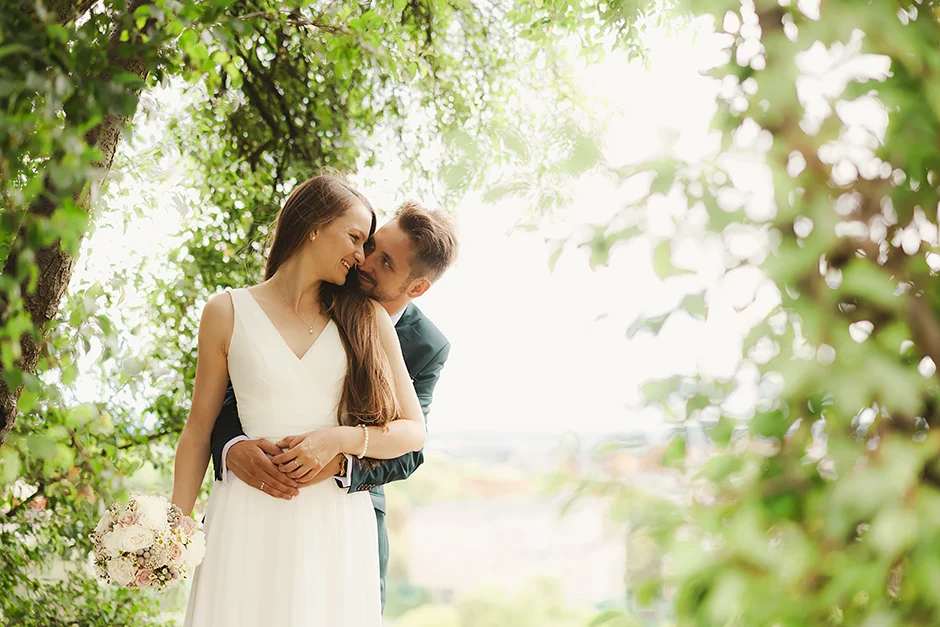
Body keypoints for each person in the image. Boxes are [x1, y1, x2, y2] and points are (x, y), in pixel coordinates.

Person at [171, 175, 427, 627]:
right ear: (313, 225)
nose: (360, 256)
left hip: (332, 527)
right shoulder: (225, 312)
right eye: (354, 238)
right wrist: (175, 524)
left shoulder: (366, 318)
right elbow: (198, 430)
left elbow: (412, 432)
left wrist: (337, 440)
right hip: (244, 518)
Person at [210, 199, 459, 609]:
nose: (365, 261)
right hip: (256, 496)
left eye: (386, 263)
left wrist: (339, 458)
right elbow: (238, 386)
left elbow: (411, 451)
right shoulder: (321, 287)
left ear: (417, 288)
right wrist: (232, 448)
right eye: (372, 246)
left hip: (345, 513)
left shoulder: (427, 346)